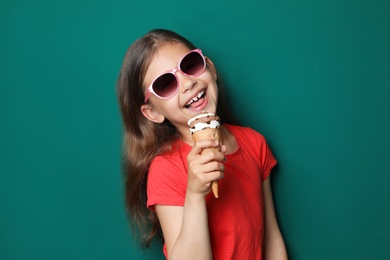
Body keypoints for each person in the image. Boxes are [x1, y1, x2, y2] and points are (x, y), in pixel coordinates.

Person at [117, 29, 287, 259]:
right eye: (166, 83)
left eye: (190, 64)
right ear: (153, 112)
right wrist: (195, 194)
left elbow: (271, 237)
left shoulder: (254, 143)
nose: (187, 83)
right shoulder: (166, 169)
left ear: (211, 68)